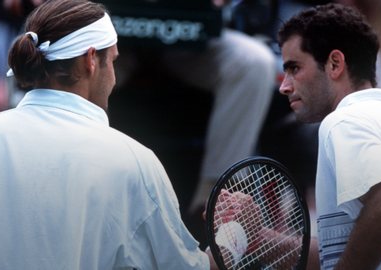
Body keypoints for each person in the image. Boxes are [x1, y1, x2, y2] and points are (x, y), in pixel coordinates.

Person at [0, 0, 221, 269]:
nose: (115, 77)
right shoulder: (137, 163)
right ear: (91, 60)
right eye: (113, 61)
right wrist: (234, 238)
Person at [276, 3, 381, 270]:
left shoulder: (341, 122)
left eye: (294, 68)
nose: (284, 86)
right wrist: (263, 241)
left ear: (335, 64)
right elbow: (356, 253)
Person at [112, 0, 277, 214]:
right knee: (76, 59)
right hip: (113, 41)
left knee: (255, 62)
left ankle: (217, 202)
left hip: (193, 39)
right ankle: (89, 187)